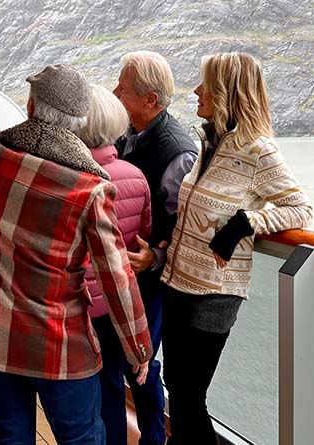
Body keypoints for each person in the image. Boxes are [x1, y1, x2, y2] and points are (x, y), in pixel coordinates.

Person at [0, 39, 152, 445]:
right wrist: (138, 348)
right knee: (80, 437)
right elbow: (118, 277)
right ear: (78, 123)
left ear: (32, 106)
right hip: (58, 344)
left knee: (10, 431)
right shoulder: (90, 189)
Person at [160, 52, 314, 444]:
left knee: (190, 396)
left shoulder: (258, 151)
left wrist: (248, 222)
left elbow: (301, 209)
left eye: (205, 84)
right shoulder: (210, 141)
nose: (196, 91)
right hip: (177, 282)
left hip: (215, 292)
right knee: (175, 388)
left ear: (227, 92)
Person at [110, 50, 198, 445]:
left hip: (149, 281)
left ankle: (152, 438)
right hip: (118, 274)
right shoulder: (126, 133)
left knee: (140, 362)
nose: (115, 92)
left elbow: (188, 229)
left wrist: (155, 257)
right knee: (120, 359)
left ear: (150, 100)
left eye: (123, 88)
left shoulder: (178, 152)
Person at [77, 84, 154, 443]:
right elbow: (142, 234)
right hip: (114, 306)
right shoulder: (135, 176)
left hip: (74, 307)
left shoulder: (64, 174)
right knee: (111, 390)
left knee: (78, 399)